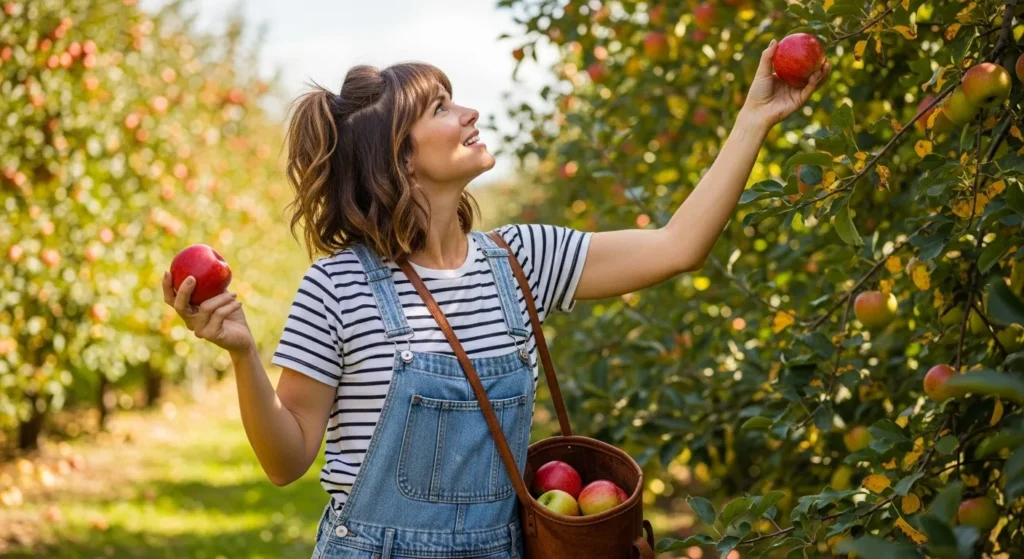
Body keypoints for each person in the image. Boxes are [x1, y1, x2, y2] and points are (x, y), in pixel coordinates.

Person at [162, 42, 829, 559]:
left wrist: (754, 119)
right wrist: (243, 353)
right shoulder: (338, 286)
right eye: (441, 107)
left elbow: (678, 245)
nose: (469, 113)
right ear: (400, 159)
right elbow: (285, 461)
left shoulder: (522, 260)